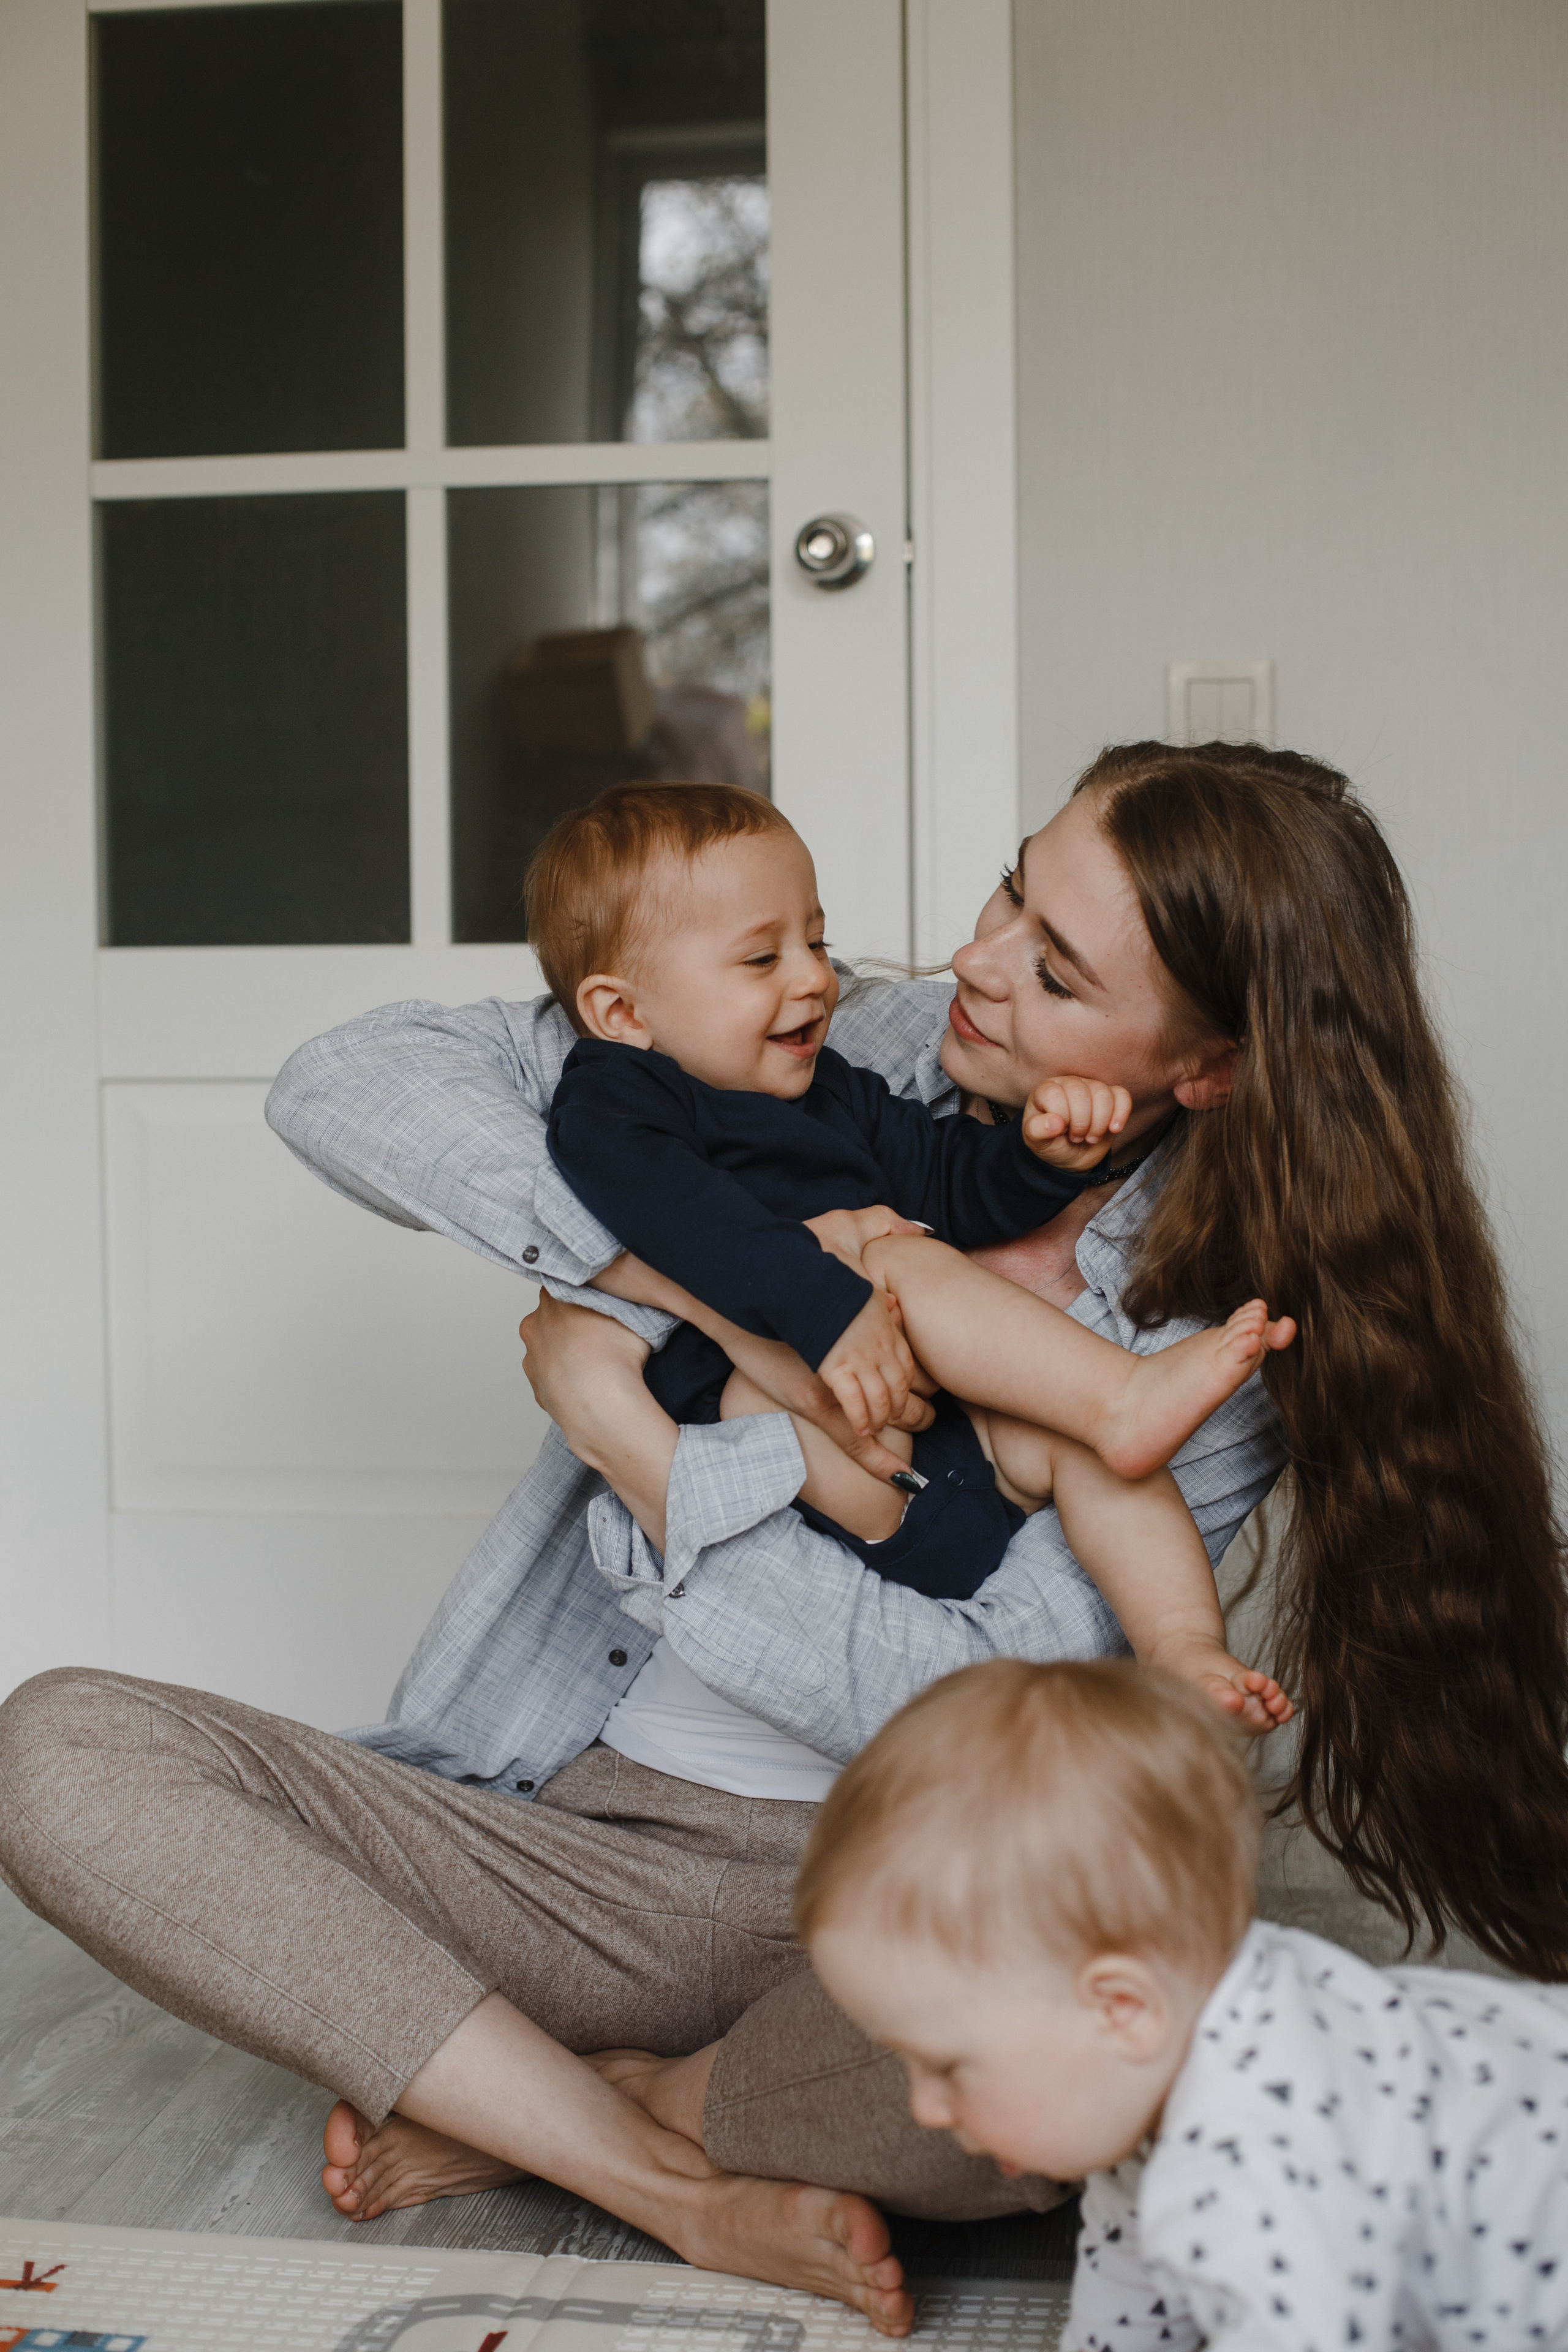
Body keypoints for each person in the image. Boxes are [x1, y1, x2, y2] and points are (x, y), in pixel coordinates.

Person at [0, 743, 1562, 2340]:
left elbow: (972, 1698)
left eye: (1057, 967)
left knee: (1090, 2079)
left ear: (1207, 1067)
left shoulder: (1208, 1334)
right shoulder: (827, 1035)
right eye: (1012, 887)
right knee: (61, 1751)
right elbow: (353, 1079)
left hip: (887, 1907)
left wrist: (646, 1446)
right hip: (575, 1846)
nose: (975, 960)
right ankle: (660, 2173)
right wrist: (698, 1285)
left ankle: (591, 2098)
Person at [538, 778, 1294, 1720]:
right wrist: (827, 1290)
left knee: (1099, 1455)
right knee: (895, 1253)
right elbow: (675, 1209)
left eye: (814, 942)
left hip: (947, 1475)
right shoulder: (617, 1097)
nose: (817, 979)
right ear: (621, 1012)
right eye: (763, 957)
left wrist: (1039, 1158)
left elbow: (948, 1178)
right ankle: (1118, 1393)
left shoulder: (833, 1090)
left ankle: (1181, 1643)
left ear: (1208, 1065)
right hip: (773, 1437)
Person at [797, 1656, 1568, 2352]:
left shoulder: (1253, 2159)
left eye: (946, 2065)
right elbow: (1127, 2290)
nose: (926, 2108)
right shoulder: (1162, 2064)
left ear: (1122, 2010)